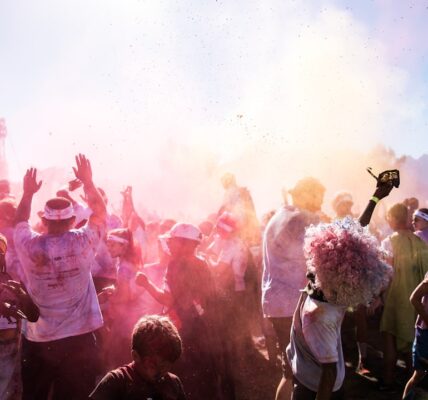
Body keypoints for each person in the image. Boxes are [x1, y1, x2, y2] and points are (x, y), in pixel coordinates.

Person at [286, 182, 394, 399]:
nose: (313, 264)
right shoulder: (323, 289)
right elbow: (352, 236)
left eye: (320, 260)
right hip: (308, 378)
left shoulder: (319, 313)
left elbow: (329, 372)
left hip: (314, 390)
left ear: (334, 268)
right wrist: (375, 197)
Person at [13, 154, 107, 400]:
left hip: (39, 341)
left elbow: (19, 221)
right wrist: (88, 181)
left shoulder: (29, 245)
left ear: (43, 221)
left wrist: (28, 193)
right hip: (79, 341)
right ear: (73, 220)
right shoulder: (83, 241)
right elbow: (99, 213)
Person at [135, 223, 225, 400]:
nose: (169, 244)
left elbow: (167, 299)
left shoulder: (176, 265)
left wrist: (146, 284)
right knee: (205, 375)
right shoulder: (201, 263)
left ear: (186, 244)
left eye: (173, 241)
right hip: (204, 329)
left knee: (187, 375)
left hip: (185, 330)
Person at [261, 177, 326, 400]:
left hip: (277, 302)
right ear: (306, 194)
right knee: (304, 374)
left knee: (290, 371)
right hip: (293, 303)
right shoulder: (301, 219)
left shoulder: (281, 215)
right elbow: (316, 257)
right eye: (318, 196)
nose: (320, 202)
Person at [380, 203, 428, 390]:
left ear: (392, 218)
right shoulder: (420, 242)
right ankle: (414, 383)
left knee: (390, 337)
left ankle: (388, 381)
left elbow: (386, 273)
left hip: (395, 296)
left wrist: (377, 296)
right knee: (411, 341)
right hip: (418, 298)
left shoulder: (389, 241)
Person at [89, 315, 186, 400]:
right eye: (154, 366)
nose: (162, 372)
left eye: (167, 367)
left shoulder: (173, 384)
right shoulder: (116, 382)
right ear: (136, 356)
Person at [0, 233, 39, 400]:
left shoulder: (14, 280)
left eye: (0, 252)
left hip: (10, 349)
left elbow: (33, 316)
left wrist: (23, 297)